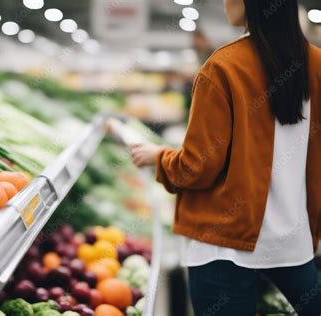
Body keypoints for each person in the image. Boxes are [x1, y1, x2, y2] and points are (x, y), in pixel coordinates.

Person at [129, 0, 321, 315]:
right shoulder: (317, 63)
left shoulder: (224, 66)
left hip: (224, 244)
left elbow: (197, 166)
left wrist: (159, 158)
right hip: (294, 240)